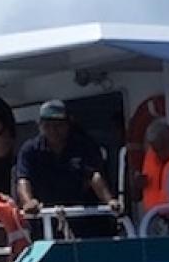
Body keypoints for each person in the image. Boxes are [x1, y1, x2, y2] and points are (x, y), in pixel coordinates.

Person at [13, 100, 122, 239]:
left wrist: (110, 201)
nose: (53, 130)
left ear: (68, 124)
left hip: (84, 218)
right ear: (40, 126)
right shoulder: (30, 150)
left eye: (58, 125)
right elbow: (23, 179)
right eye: (47, 125)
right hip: (46, 219)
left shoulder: (84, 145)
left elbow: (95, 177)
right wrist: (29, 202)